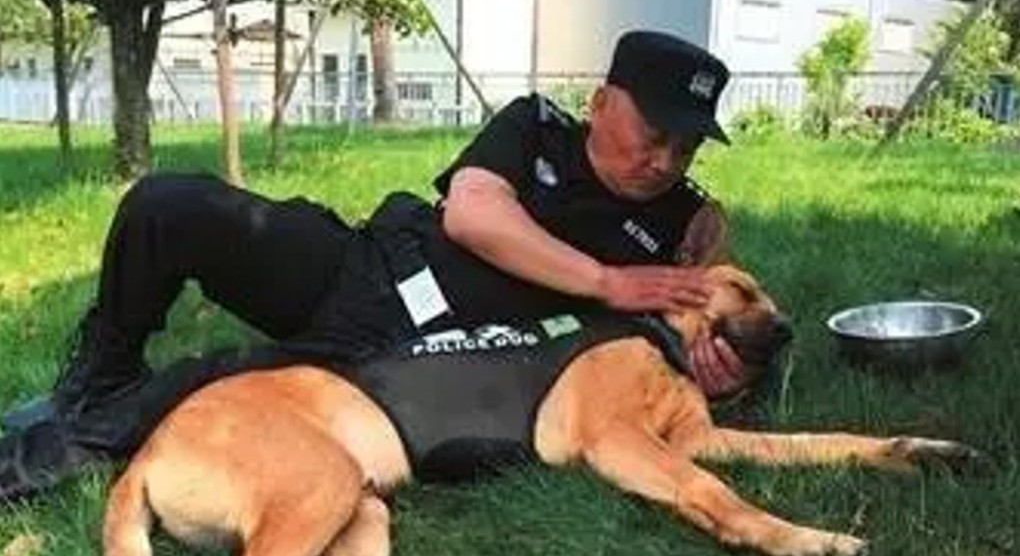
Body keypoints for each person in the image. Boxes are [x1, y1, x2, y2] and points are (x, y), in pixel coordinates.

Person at [0, 29, 746, 499]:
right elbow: (473, 213)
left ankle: (35, 457)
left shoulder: (687, 222)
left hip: (411, 363)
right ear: (600, 102)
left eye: (686, 147)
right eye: (654, 134)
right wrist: (605, 281)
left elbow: (697, 323)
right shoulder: (533, 127)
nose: (664, 161)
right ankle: (101, 371)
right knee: (171, 206)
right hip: (363, 265)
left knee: (207, 386)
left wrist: (714, 365)